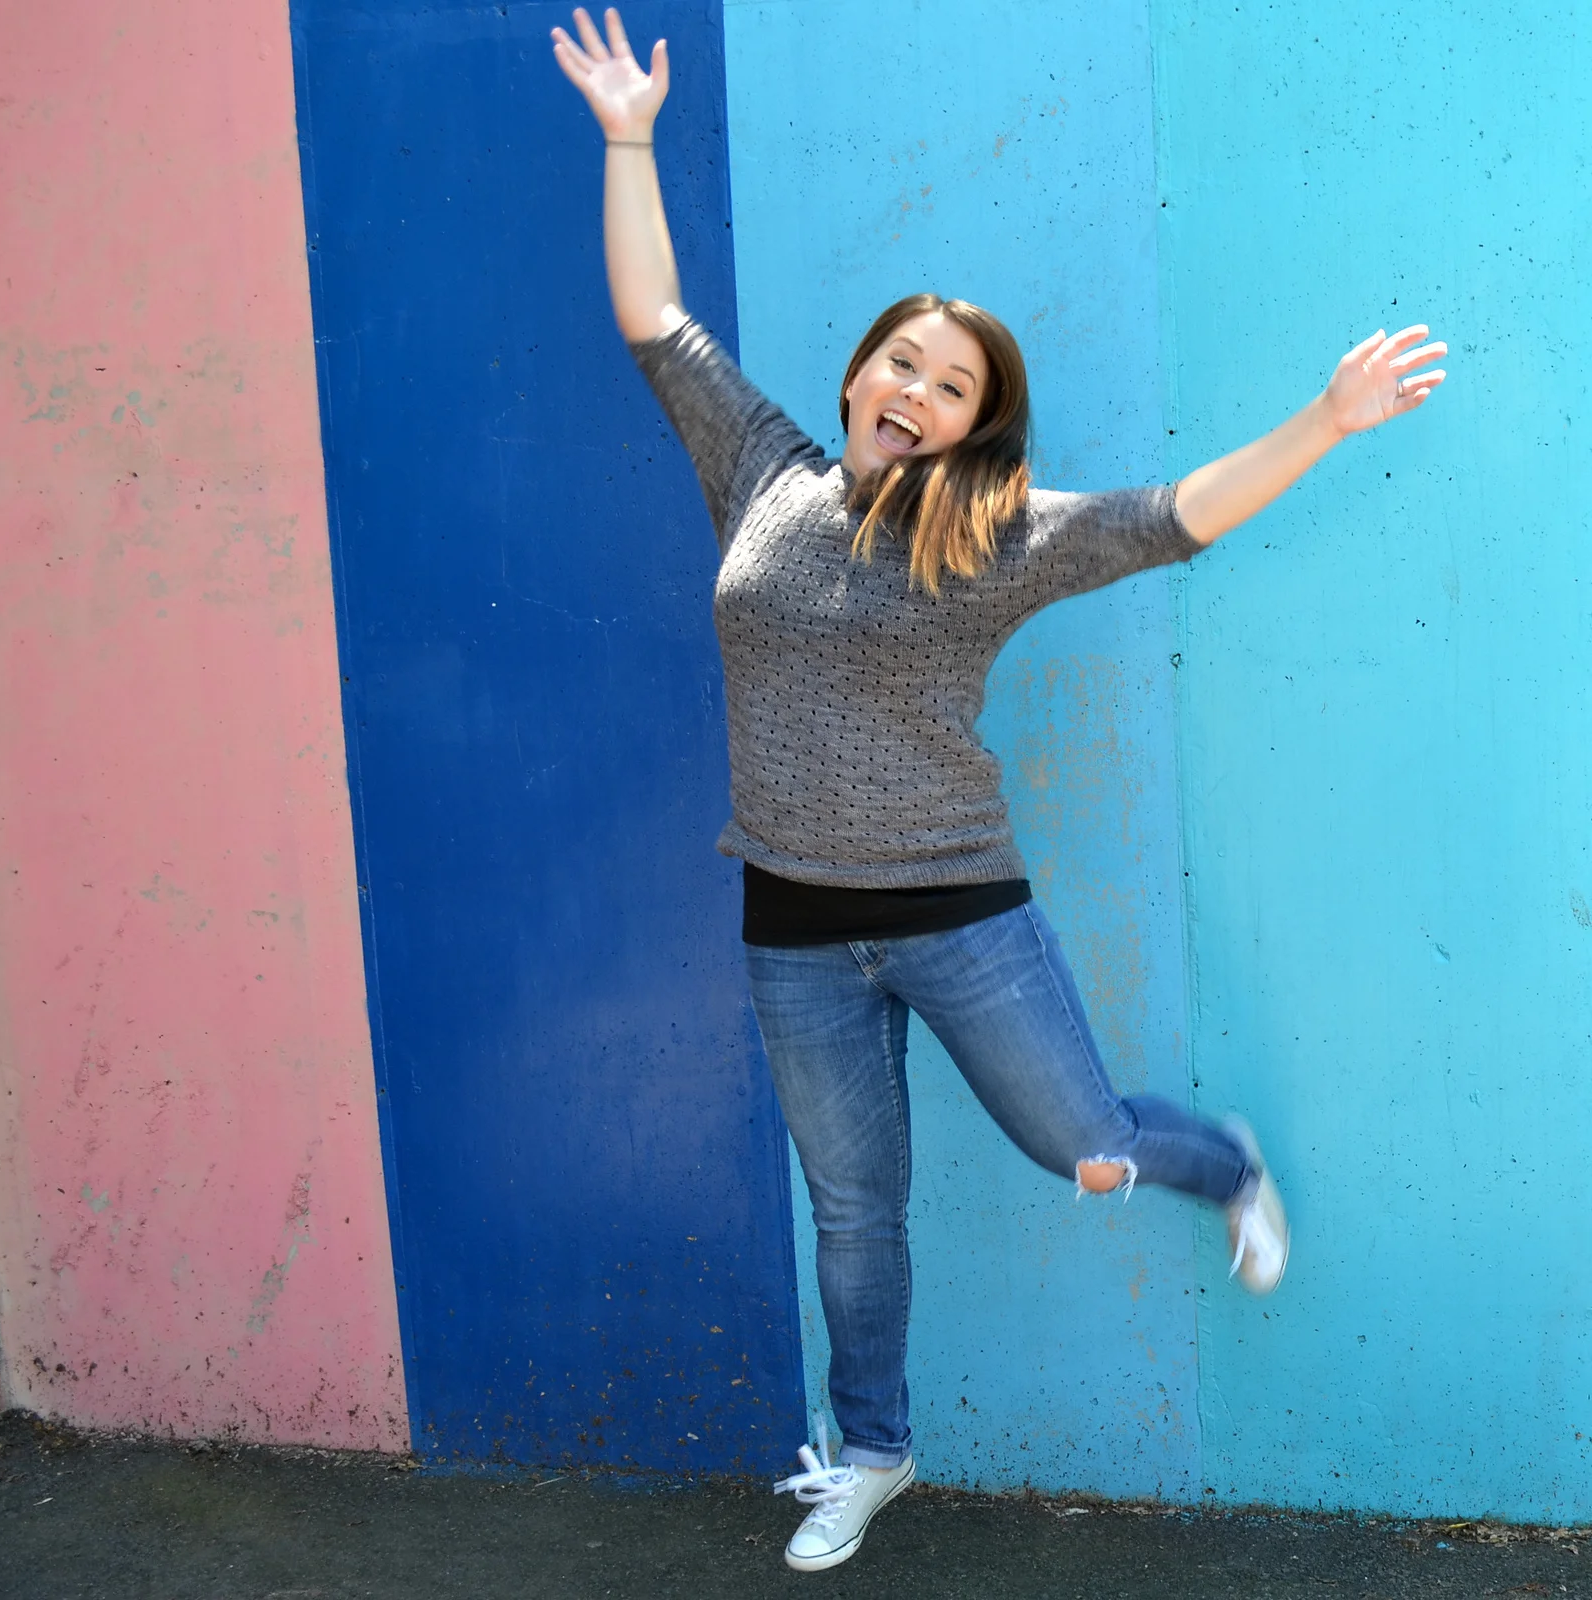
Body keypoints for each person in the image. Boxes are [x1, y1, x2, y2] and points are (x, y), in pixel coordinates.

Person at [551, 6, 1446, 1574]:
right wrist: (629, 137)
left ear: (975, 424)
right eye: (900, 361)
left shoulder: (996, 533)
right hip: (790, 931)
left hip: (958, 917)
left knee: (1084, 1147)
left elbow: (1173, 519)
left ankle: (1221, 1165)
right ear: (857, 375)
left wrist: (1325, 416)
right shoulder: (759, 471)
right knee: (852, 1213)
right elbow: (653, 319)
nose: (915, 388)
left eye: (950, 383)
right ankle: (873, 1452)